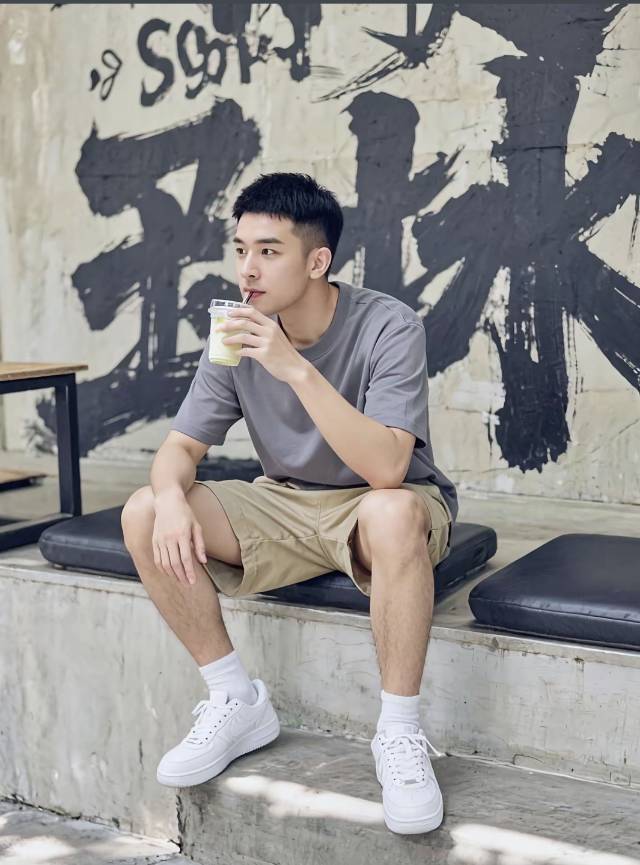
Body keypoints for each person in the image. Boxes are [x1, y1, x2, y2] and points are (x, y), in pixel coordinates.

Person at [121, 171, 458, 836]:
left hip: (381, 505)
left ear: (317, 260)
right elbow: (178, 449)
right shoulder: (235, 330)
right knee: (144, 509)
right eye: (241, 249)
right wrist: (172, 497)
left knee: (391, 512)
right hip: (285, 503)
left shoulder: (389, 324)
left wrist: (293, 367)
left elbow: (388, 468)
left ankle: (398, 733)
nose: (248, 268)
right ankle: (234, 698)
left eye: (269, 251)